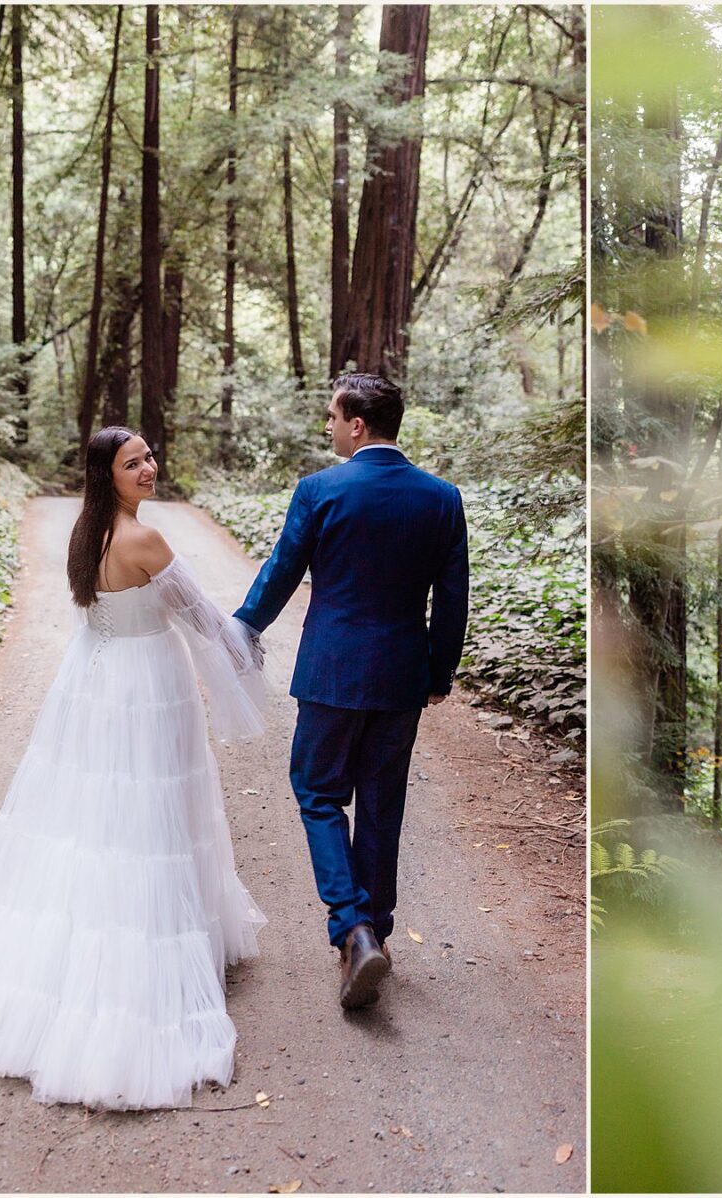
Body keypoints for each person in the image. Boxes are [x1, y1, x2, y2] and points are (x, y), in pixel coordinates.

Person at [0, 427, 268, 1110]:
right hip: (146, 684)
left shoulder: (85, 533)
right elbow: (201, 619)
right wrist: (250, 650)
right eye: (133, 463)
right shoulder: (145, 542)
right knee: (149, 813)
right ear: (108, 474)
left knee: (91, 812)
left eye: (149, 457)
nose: (148, 468)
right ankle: (141, 959)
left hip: (93, 679)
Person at [233, 372, 469, 1010]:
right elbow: (452, 600)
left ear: (357, 424)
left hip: (332, 673)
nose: (328, 427)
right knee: (382, 802)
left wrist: (241, 628)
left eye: (333, 417)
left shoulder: (320, 490)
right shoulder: (442, 498)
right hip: (400, 677)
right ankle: (376, 936)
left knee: (317, 792)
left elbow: (284, 567)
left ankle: (352, 927)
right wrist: (438, 674)